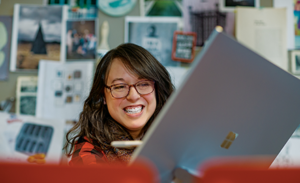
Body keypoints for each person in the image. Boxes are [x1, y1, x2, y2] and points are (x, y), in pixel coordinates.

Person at [64, 43, 174, 165]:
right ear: (103, 96)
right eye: (120, 86)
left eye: (143, 84)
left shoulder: (175, 142)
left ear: (157, 89)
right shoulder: (88, 151)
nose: (133, 96)